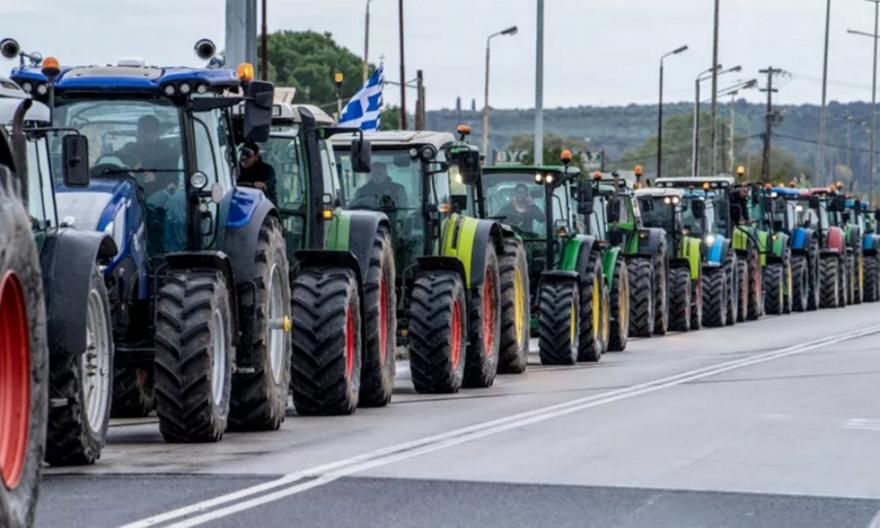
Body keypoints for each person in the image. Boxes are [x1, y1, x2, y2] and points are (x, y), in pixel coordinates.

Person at [116, 114, 179, 195]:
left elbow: (175, 176)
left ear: (157, 133)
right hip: (127, 191)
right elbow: (114, 162)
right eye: (139, 130)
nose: (142, 134)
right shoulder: (129, 147)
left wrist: (156, 176)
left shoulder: (169, 153)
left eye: (147, 131)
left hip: (154, 194)